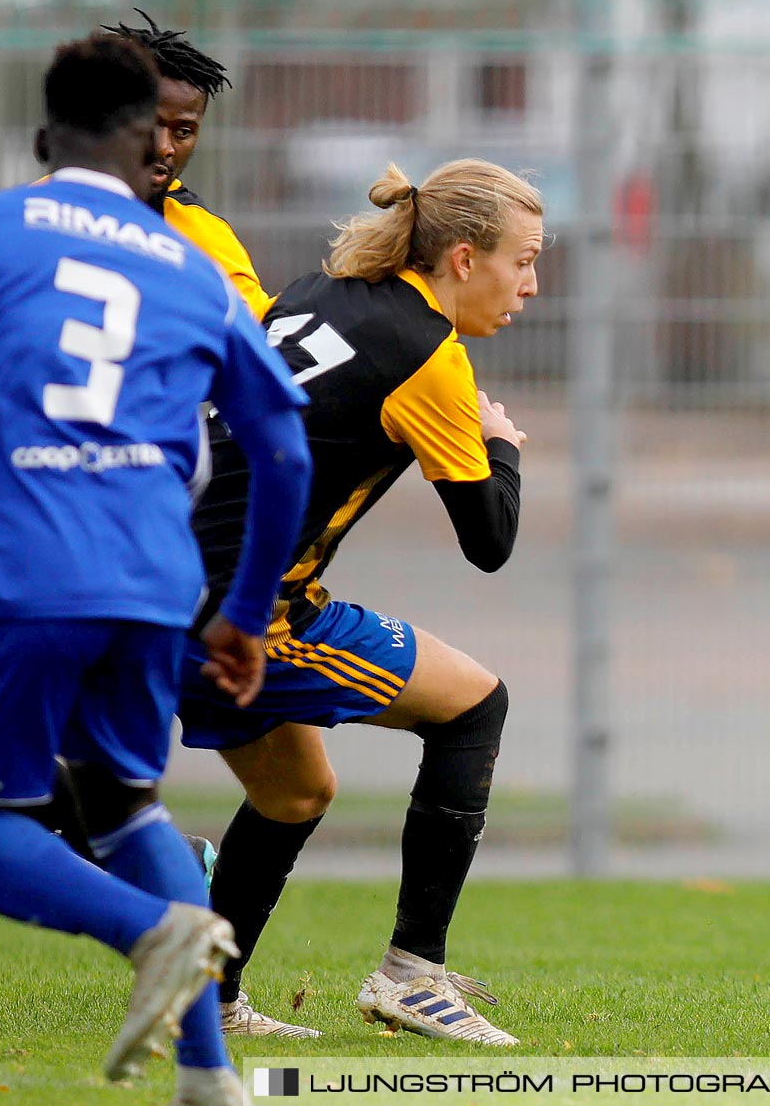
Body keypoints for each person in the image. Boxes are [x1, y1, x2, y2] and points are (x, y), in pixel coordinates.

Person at [0, 34, 310, 1106]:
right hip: (157, 586)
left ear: (44, 132)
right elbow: (281, 445)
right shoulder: (192, 266)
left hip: (22, 570)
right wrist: (242, 611)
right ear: (153, 139)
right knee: (126, 806)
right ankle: (210, 1077)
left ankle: (150, 925)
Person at [181, 158, 540, 1044]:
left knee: (296, 794)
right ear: (462, 259)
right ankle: (412, 975)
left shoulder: (318, 293)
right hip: (245, 622)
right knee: (473, 705)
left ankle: (208, 1000)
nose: (529, 285)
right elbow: (490, 543)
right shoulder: (429, 356)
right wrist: (502, 444)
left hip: (153, 586)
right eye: (523, 261)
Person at [104, 9, 274, 318]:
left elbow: (262, 338)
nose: (164, 148)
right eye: (149, 124)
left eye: (182, 132)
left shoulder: (206, 238)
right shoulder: (38, 207)